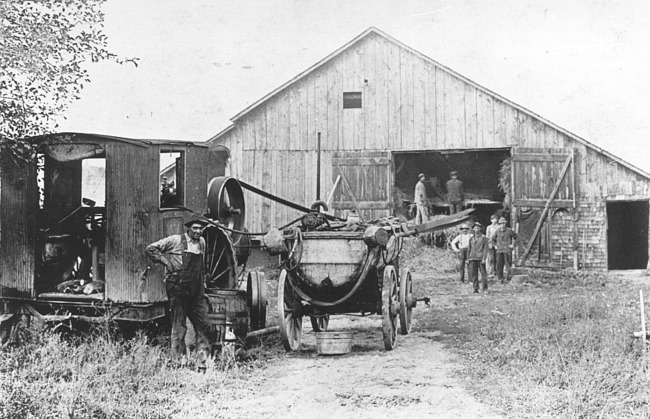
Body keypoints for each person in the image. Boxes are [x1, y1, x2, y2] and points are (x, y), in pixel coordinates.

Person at [145, 218, 211, 366]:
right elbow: (150, 248)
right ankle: (178, 362)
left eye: (201, 229)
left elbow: (202, 268)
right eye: (195, 228)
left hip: (197, 291)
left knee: (204, 324)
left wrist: (203, 287)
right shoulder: (175, 240)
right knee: (179, 326)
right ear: (188, 228)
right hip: (178, 289)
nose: (198, 231)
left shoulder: (202, 242)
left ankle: (203, 361)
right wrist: (166, 263)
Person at [492, 217, 518, 284]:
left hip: (507, 250)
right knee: (499, 265)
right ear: (499, 224)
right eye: (501, 224)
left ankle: (508, 279)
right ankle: (500, 279)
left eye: (503, 223)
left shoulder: (509, 230)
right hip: (499, 250)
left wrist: (513, 245)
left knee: (508, 265)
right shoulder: (497, 231)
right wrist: (495, 246)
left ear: (505, 223)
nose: (502, 225)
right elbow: (492, 239)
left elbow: (517, 238)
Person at [467, 222, 489, 294]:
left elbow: (485, 249)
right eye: (475, 228)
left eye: (478, 228)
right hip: (472, 258)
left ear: (480, 228)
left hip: (480, 258)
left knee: (483, 274)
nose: (476, 229)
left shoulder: (484, 238)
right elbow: (469, 249)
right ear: (473, 229)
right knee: (474, 274)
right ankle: (475, 288)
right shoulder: (471, 238)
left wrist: (484, 258)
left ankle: (485, 288)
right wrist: (468, 258)